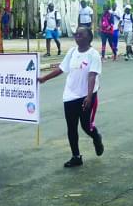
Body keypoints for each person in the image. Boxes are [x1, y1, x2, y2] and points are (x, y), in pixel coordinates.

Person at [37, 26, 104, 168]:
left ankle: (96, 137)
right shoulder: (72, 52)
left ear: (88, 38)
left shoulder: (93, 54)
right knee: (71, 127)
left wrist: (89, 96)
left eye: (81, 34)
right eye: (76, 34)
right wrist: (44, 78)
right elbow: (62, 69)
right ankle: (76, 156)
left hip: (87, 95)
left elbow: (92, 75)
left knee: (86, 126)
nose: (77, 36)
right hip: (70, 96)